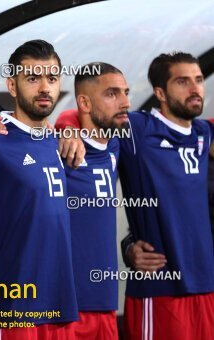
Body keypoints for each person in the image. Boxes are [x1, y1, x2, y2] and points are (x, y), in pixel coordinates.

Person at [56, 52, 214, 340]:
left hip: (208, 287)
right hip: (161, 289)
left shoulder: (204, 132)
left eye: (199, 80)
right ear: (160, 92)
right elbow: (83, 115)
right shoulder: (137, 129)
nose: (195, 89)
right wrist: (68, 127)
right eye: (183, 81)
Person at [0, 40, 80, 340]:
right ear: (12, 85)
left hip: (60, 305)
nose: (44, 88)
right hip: (13, 309)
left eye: (51, 79)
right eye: (33, 78)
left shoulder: (62, 143)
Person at [62, 62, 130, 339]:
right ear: (85, 102)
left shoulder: (117, 141)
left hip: (105, 303)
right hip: (66, 306)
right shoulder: (60, 149)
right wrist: (67, 127)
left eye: (126, 92)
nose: (125, 101)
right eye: (112, 93)